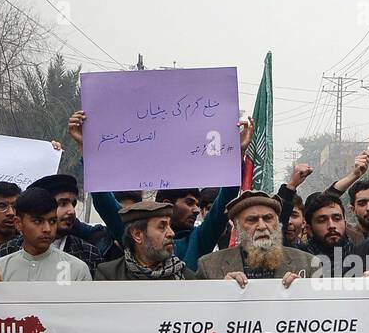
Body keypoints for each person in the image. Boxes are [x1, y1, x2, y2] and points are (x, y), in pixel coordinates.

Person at [78, 110, 247, 271]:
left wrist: (236, 156)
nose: (196, 210)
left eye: (197, 204)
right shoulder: (137, 231)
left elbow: (224, 202)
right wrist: (89, 152)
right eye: (189, 202)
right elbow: (103, 201)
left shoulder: (199, 239)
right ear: (168, 205)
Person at [195, 190, 312, 286]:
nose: (262, 226)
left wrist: (302, 290)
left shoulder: (306, 263)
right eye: (252, 220)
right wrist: (223, 292)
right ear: (236, 226)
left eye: (268, 218)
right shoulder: (209, 266)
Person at [0, 173, 102, 273]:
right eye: (63, 203)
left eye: (73, 204)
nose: (71, 211)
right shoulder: (7, 252)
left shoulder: (89, 254)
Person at [94, 200, 193, 280]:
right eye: (162, 227)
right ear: (137, 235)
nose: (171, 233)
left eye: (170, 226)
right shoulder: (110, 275)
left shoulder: (185, 276)